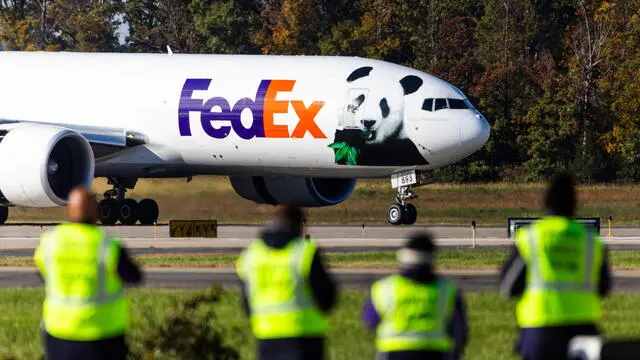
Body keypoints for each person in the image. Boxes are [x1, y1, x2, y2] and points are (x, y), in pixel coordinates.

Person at [499, 174, 612, 360]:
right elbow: (604, 288)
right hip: (583, 327)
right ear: (575, 204)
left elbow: (508, 287)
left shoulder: (532, 237)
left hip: (541, 326)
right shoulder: (591, 241)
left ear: (546, 202)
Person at [34, 187, 143, 360]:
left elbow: (42, 273)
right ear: (97, 213)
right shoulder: (106, 245)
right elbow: (134, 277)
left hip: (59, 331)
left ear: (69, 212)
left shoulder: (51, 242)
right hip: (101, 334)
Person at [236, 205, 337, 360]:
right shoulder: (304, 253)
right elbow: (327, 297)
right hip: (305, 337)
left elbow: (246, 303)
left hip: (267, 337)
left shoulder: (251, 255)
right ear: (299, 225)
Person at [362, 232, 468, 360]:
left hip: (394, 352)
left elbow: (369, 321)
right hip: (435, 352)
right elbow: (459, 329)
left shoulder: (384, 288)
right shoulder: (447, 289)